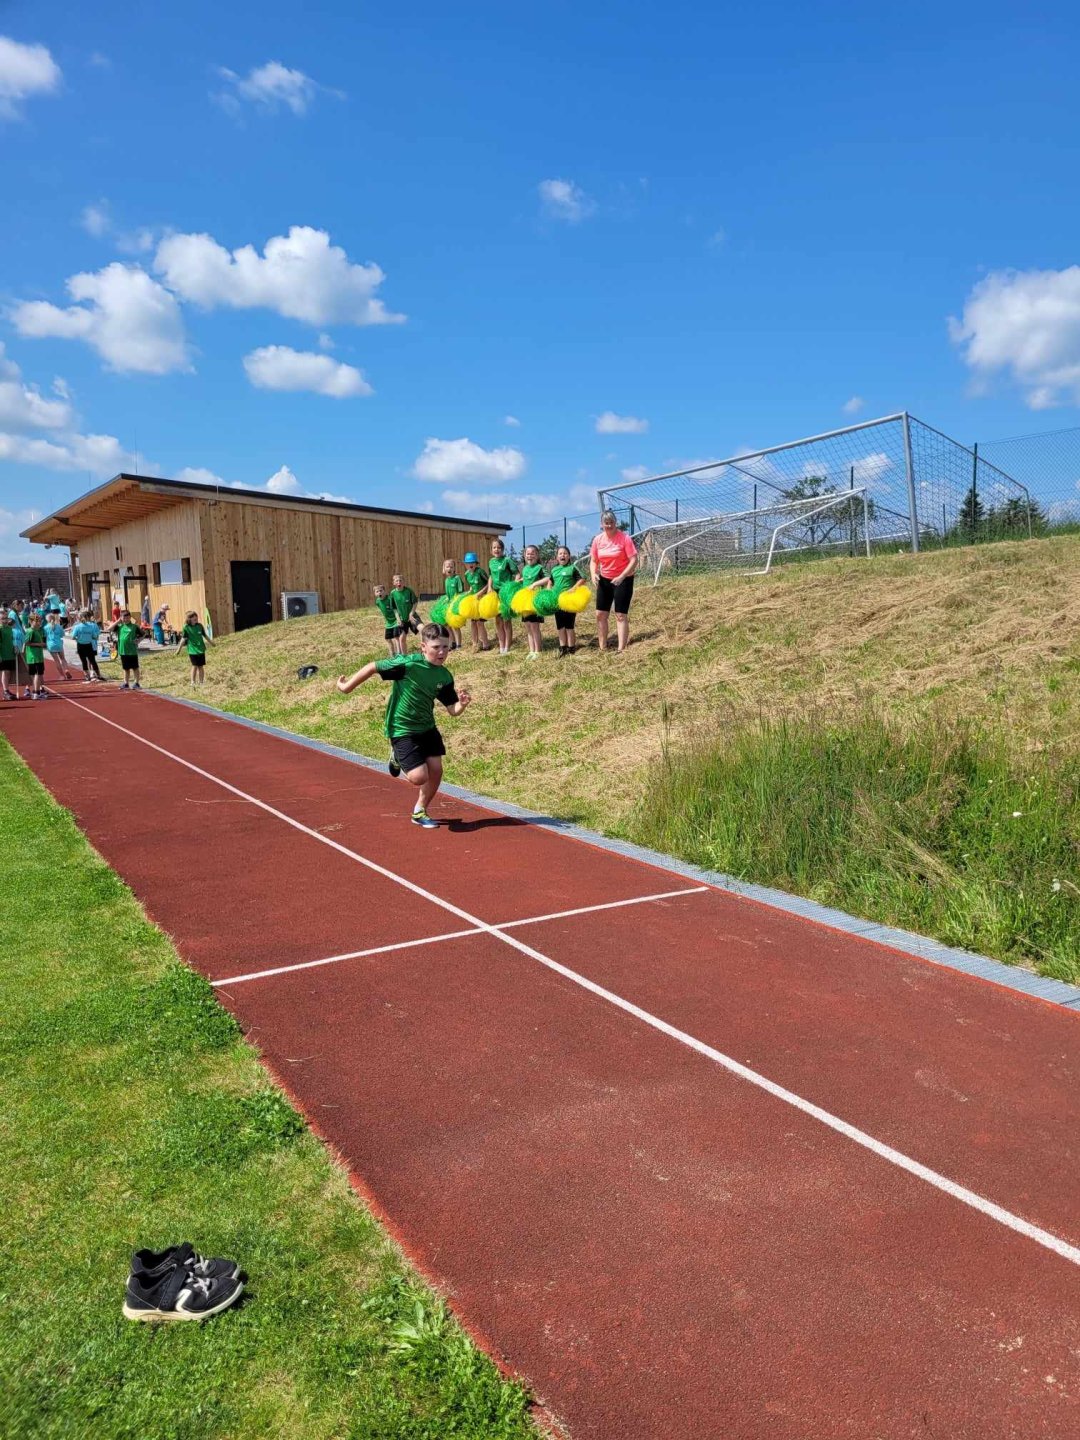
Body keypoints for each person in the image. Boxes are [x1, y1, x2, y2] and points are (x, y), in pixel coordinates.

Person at [336, 622, 471, 830]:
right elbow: (373, 667)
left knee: (436, 770)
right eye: (436, 647)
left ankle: (420, 810)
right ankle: (397, 755)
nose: (442, 652)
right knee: (419, 777)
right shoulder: (407, 665)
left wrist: (461, 704)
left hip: (427, 728)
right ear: (423, 647)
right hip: (402, 728)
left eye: (446, 647)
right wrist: (346, 687)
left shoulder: (444, 676)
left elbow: (452, 710)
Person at [590, 509, 638, 654]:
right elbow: (593, 560)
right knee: (600, 614)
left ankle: (621, 649)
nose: (609, 525)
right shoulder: (597, 540)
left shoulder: (625, 538)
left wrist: (622, 576)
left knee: (620, 615)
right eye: (606, 523)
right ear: (602, 524)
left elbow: (634, 560)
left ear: (615, 523)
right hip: (605, 579)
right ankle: (603, 647)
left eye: (611, 522)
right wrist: (593, 573)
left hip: (623, 579)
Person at [547, 544, 585, 657]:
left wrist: (573, 588)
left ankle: (571, 647)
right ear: (557, 557)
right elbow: (550, 581)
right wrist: (548, 588)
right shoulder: (554, 570)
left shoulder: (572, 568)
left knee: (569, 626)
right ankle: (562, 647)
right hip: (557, 602)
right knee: (560, 626)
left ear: (569, 556)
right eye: (560, 554)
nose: (562, 555)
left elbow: (582, 579)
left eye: (565, 553)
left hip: (569, 602)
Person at [517, 544, 547, 660]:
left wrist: (535, 584)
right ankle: (531, 650)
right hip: (525, 602)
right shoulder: (524, 568)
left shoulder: (539, 567)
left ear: (537, 555)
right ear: (525, 556)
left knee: (534, 626)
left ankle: (538, 651)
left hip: (535, 601)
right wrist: (520, 580)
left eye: (532, 553)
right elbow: (526, 578)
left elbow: (547, 578)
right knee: (528, 627)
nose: (530, 556)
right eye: (528, 554)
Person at [486, 537, 515, 655]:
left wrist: (512, 587)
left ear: (502, 549)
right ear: (491, 550)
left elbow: (517, 574)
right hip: (495, 594)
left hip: (505, 593)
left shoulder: (507, 560)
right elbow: (491, 576)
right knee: (498, 621)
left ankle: (508, 646)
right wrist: (489, 587)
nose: (496, 550)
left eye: (499, 547)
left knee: (506, 620)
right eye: (494, 548)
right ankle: (501, 645)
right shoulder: (491, 562)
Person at [175, 609, 214, 685]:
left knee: (201, 666)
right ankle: (192, 682)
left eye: (196, 616)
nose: (196, 618)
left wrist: (211, 643)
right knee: (194, 666)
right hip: (192, 650)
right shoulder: (186, 627)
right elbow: (183, 639)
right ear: (189, 619)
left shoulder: (200, 626)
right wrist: (178, 650)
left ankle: (201, 682)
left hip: (201, 649)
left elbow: (205, 635)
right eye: (193, 617)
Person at [462, 551, 491, 652]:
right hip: (473, 601)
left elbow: (488, 584)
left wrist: (480, 593)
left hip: (482, 600)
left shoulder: (480, 572)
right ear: (465, 564)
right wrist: (469, 592)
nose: (471, 564)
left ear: (476, 563)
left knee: (480, 623)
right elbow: (472, 586)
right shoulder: (466, 574)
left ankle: (485, 643)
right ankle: (475, 643)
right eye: (468, 563)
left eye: (473, 562)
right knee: (473, 623)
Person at [108, 609, 143, 690]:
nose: (125, 619)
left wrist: (138, 640)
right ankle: (126, 683)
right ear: (121, 618)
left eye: (127, 618)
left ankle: (136, 683)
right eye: (124, 618)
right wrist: (118, 621)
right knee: (125, 668)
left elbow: (143, 634)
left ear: (130, 617)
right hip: (123, 651)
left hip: (132, 651)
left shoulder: (134, 627)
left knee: (135, 668)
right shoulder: (120, 627)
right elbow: (109, 629)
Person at [390, 573, 421, 655]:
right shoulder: (392, 593)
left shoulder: (409, 591)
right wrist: (398, 619)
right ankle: (405, 656)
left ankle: (424, 651)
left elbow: (415, 602)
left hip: (412, 616)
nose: (399, 582)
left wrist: (411, 613)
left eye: (400, 580)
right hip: (402, 619)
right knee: (401, 639)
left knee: (422, 629)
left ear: (404, 582)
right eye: (397, 581)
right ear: (394, 583)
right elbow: (394, 608)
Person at [71, 612, 103, 682]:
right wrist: (89, 637)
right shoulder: (91, 626)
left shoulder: (77, 627)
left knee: (84, 661)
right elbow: (95, 637)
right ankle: (98, 675)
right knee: (92, 660)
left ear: (79, 619)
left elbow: (73, 637)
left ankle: (87, 676)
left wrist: (78, 639)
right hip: (89, 645)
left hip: (80, 645)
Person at [372, 584, 402, 657]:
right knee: (388, 639)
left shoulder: (390, 599)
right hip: (388, 623)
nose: (379, 593)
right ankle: (392, 654)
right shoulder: (377, 602)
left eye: (381, 591)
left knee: (396, 637)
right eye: (377, 591)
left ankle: (399, 654)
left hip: (395, 620)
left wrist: (398, 619)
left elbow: (395, 609)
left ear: (384, 591)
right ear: (375, 594)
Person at [441, 559, 465, 650]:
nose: (449, 568)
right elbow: (448, 595)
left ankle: (459, 645)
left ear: (454, 568)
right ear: (444, 569)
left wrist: (456, 603)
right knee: (447, 625)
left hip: (455, 604)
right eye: (447, 567)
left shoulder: (457, 578)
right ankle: (452, 643)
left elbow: (460, 592)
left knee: (455, 625)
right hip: (449, 604)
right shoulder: (446, 580)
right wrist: (446, 600)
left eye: (451, 567)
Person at [23, 614, 47, 699]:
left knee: (38, 674)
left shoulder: (38, 631)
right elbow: (26, 643)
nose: (38, 623)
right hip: (34, 657)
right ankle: (36, 692)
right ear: (31, 622)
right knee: (37, 674)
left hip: (38, 656)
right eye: (36, 621)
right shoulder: (30, 631)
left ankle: (38, 691)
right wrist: (39, 644)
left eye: (39, 621)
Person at [44, 613, 72, 681]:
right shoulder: (59, 626)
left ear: (47, 620)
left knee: (56, 661)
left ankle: (62, 676)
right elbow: (62, 635)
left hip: (51, 644)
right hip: (59, 643)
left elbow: (44, 636)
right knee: (63, 658)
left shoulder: (45, 628)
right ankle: (66, 670)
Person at [0, 611, 17, 701]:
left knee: (8, 672)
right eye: (2, 618)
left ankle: (6, 690)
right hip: (3, 654)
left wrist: (15, 646)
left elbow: (12, 640)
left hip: (10, 654)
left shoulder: (9, 629)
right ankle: (5, 691)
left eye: (6, 618)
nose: (5, 620)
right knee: (5, 672)